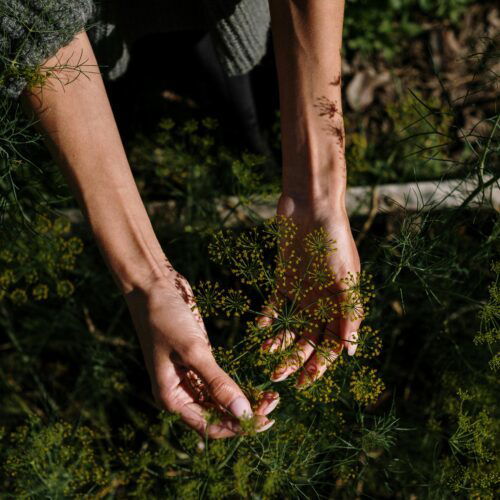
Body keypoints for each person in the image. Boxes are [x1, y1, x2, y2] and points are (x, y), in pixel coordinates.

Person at [1, 0, 362, 439]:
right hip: (75, 45)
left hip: (224, 12)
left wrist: (318, 195)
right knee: (128, 103)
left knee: (240, 103)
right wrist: (145, 280)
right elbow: (28, 15)